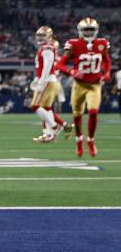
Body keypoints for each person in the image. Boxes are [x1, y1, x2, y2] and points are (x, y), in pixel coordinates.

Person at [56, 18, 110, 156]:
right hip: (79, 85)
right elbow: (60, 64)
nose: (88, 32)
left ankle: (90, 140)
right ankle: (79, 140)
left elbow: (107, 61)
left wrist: (107, 73)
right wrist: (71, 71)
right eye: (85, 30)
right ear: (80, 30)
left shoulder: (102, 43)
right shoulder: (73, 44)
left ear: (95, 30)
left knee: (93, 112)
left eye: (90, 30)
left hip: (95, 84)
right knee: (77, 114)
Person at [30, 26, 68, 143]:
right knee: (46, 108)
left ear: (50, 37)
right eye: (39, 35)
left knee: (35, 106)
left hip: (47, 80)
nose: (40, 38)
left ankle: (56, 126)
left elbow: (47, 67)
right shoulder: (46, 48)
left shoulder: (47, 48)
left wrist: (41, 81)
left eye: (43, 35)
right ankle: (50, 134)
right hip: (49, 80)